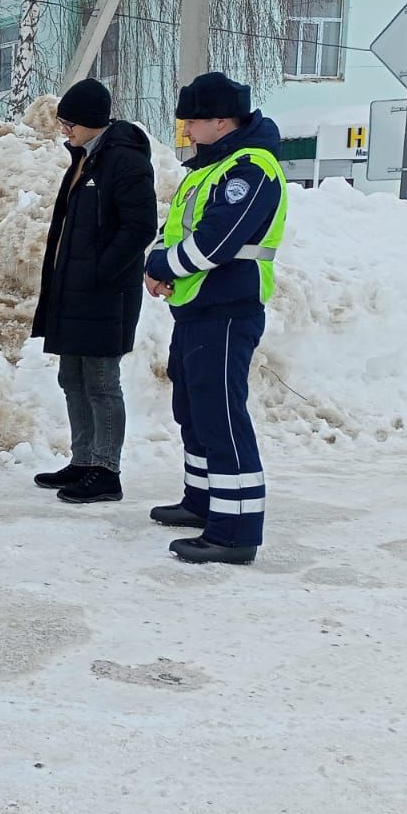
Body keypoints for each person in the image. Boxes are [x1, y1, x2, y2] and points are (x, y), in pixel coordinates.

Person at [143, 71, 288, 565]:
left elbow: (217, 242)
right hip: (197, 308)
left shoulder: (251, 168)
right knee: (195, 410)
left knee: (222, 417)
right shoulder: (208, 167)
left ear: (221, 121)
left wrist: (164, 266)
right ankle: (202, 502)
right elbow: (176, 228)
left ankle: (234, 531)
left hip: (227, 309)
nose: (185, 130)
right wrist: (156, 266)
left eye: (192, 121)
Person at [30, 78, 158, 505]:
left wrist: (102, 272)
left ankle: (106, 469)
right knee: (73, 377)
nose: (63, 130)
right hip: (75, 290)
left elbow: (139, 226)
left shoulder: (124, 160)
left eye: (68, 122)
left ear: (89, 121)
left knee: (102, 381)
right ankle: (83, 460)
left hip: (106, 293)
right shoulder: (85, 158)